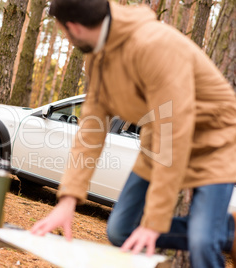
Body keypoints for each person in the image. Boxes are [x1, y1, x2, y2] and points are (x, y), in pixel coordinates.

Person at [30, 0, 236, 267]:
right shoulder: (98, 54)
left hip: (214, 144)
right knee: (120, 231)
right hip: (160, 144)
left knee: (203, 243)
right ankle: (228, 233)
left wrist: (154, 223)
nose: (67, 41)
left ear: (74, 28)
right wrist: (68, 198)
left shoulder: (154, 47)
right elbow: (92, 125)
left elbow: (173, 133)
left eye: (63, 33)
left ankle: (215, 234)